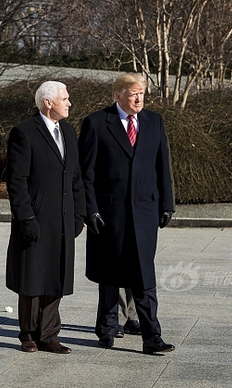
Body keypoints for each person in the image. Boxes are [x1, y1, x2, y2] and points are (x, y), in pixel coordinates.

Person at [79, 73, 176, 354]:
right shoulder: (97, 123)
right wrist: (90, 209)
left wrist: (166, 204)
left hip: (145, 211)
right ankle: (107, 329)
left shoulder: (154, 122)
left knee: (145, 275)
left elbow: (162, 167)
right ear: (118, 94)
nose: (139, 99)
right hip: (109, 212)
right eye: (133, 94)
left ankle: (151, 336)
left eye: (142, 94)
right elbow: (86, 173)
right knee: (110, 273)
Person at [5, 81, 86, 354]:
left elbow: (75, 176)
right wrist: (25, 217)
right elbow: (16, 180)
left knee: (56, 275)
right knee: (33, 277)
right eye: (65, 98)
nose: (69, 103)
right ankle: (28, 333)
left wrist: (80, 213)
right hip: (36, 217)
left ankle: (49, 334)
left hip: (62, 218)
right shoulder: (24, 132)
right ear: (48, 102)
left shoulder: (69, 132)